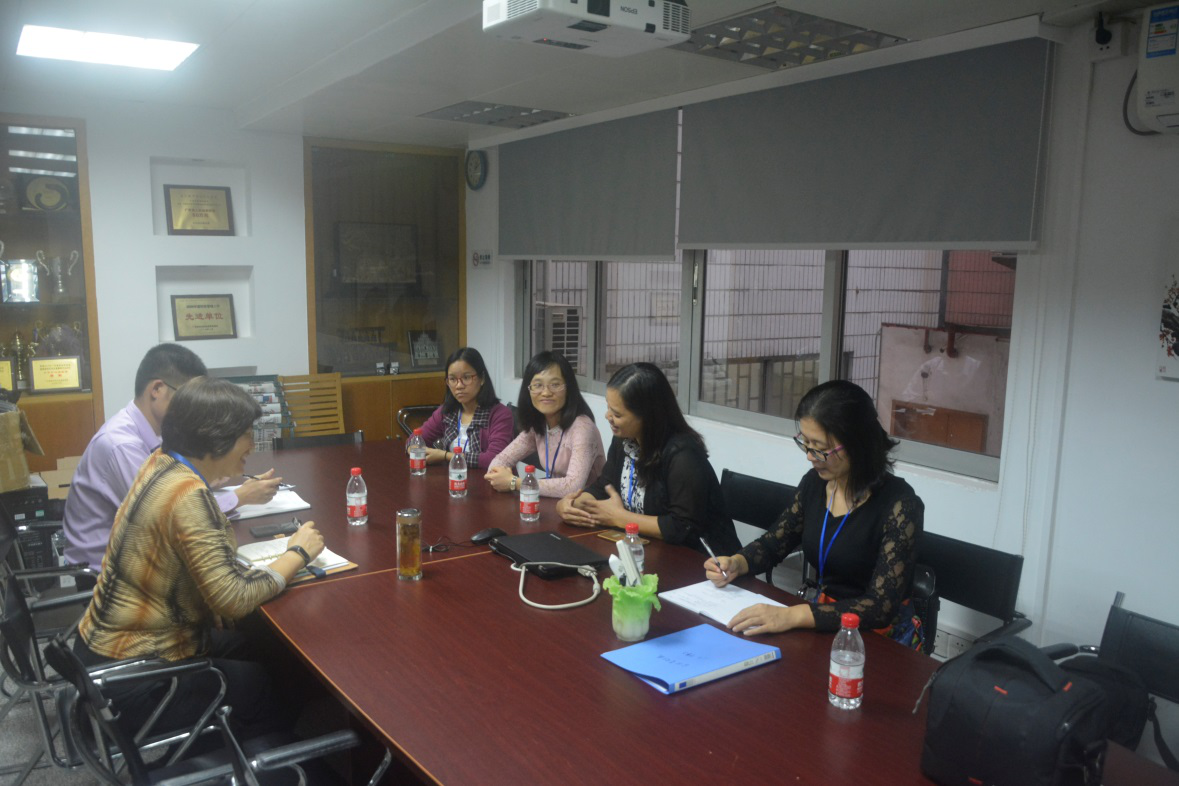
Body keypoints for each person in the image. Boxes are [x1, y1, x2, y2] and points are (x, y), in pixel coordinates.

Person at [73, 376, 326, 739]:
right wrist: (297, 553)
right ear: (216, 439)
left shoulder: (161, 464)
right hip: (135, 679)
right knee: (267, 681)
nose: (252, 445)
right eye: (246, 434)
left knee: (264, 645)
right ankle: (258, 757)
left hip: (107, 657)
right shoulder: (187, 495)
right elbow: (233, 598)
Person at [704, 379, 925, 649]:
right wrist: (737, 563)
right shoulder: (816, 484)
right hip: (822, 623)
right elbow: (774, 543)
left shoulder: (900, 505)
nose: (810, 456)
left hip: (877, 639)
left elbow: (880, 606)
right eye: (805, 443)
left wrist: (791, 615)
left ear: (857, 443)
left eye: (819, 448)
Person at [64, 344, 281, 589]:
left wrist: (212, 475)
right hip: (109, 579)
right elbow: (170, 519)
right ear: (157, 389)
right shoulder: (122, 445)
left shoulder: (153, 431)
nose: (194, 407)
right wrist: (239, 497)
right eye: (187, 397)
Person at [557, 362, 740, 555]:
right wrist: (572, 505)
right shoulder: (624, 440)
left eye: (617, 414)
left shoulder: (683, 455)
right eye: (608, 407)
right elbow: (605, 486)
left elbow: (682, 527)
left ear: (648, 416)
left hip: (702, 561)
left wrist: (620, 518)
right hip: (649, 550)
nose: (607, 416)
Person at [485, 351, 606, 498]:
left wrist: (514, 482)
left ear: (568, 388)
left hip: (587, 505)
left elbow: (572, 487)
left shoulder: (582, 427)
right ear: (528, 390)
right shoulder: (539, 425)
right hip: (554, 503)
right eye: (538, 385)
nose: (546, 393)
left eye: (555, 385)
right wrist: (499, 475)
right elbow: (500, 460)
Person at [415, 347, 513, 469]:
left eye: (466, 378)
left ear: (482, 378)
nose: (459, 386)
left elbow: (494, 459)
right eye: (452, 379)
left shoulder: (501, 414)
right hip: (455, 477)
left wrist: (445, 456)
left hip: (489, 479)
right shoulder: (447, 412)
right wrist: (414, 448)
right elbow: (415, 440)